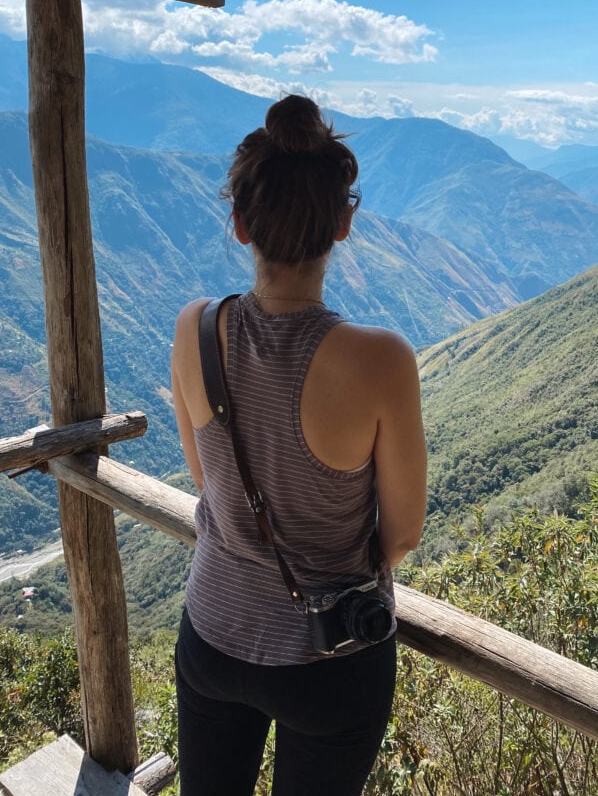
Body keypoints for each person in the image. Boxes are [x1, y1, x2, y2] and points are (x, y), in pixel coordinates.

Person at [170, 94, 427, 796]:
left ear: (240, 223)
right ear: (344, 224)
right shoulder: (380, 362)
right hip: (331, 656)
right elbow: (401, 535)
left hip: (213, 632)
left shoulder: (196, 330)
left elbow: (209, 485)